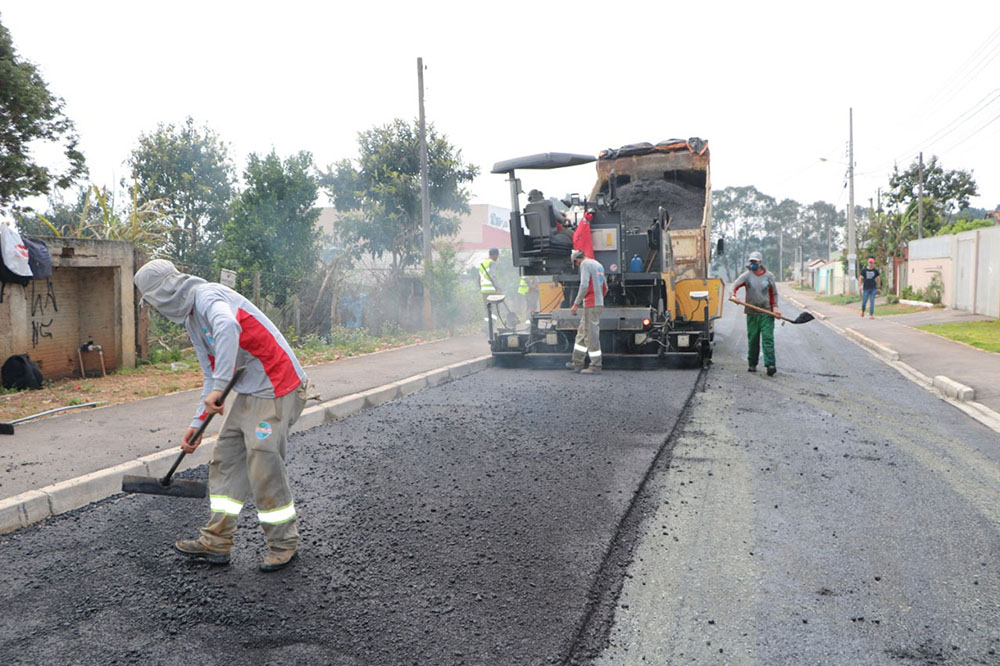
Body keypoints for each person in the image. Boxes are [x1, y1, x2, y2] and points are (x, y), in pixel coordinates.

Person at [133, 260, 313, 572]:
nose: (154, 308)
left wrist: (219, 387)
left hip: (277, 386)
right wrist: (197, 423)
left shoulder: (208, 296)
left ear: (163, 294)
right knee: (226, 459)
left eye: (151, 301)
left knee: (262, 459)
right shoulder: (192, 320)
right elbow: (210, 375)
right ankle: (217, 541)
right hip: (249, 390)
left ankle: (283, 543)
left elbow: (229, 327)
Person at [732, 251, 781, 376]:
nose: (753, 264)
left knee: (767, 338)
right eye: (751, 262)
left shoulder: (769, 276)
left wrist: (775, 307)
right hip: (752, 313)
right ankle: (752, 364)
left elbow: (773, 293)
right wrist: (733, 296)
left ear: (760, 263)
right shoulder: (747, 276)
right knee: (753, 339)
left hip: (766, 313)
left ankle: (770, 364)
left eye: (755, 262)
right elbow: (734, 286)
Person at [566, 249, 607, 374]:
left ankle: (595, 365)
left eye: (576, 264)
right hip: (596, 303)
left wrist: (575, 304)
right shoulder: (597, 264)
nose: (577, 266)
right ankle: (577, 362)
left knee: (590, 334)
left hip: (591, 303)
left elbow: (584, 285)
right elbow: (605, 287)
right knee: (582, 333)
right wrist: (599, 299)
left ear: (576, 260)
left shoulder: (585, 264)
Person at [479, 248, 501, 337]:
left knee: (487, 310)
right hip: (492, 290)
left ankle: (487, 328)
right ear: (494, 255)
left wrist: (481, 288)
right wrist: (498, 287)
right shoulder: (492, 263)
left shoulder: (483, 263)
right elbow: (492, 276)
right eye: (497, 255)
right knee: (495, 311)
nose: (497, 257)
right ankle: (489, 328)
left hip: (484, 291)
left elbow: (479, 278)